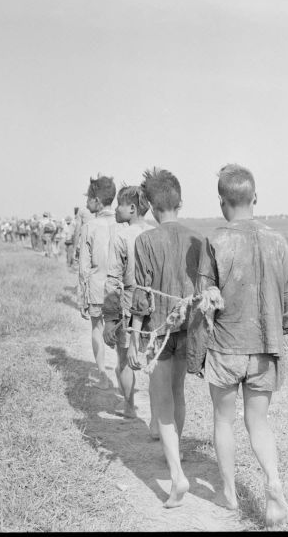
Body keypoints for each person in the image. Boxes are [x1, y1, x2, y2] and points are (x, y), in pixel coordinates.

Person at [187, 164, 288, 528]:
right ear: (255, 198)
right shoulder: (279, 241)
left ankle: (230, 494)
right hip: (266, 350)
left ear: (222, 202)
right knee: (258, 422)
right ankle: (274, 483)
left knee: (223, 421)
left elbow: (204, 305)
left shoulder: (214, 241)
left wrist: (195, 356)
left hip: (225, 349)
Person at [127, 168, 203, 508]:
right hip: (188, 328)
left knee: (163, 404)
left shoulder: (145, 241)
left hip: (158, 332)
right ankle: (178, 451)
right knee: (178, 393)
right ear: (179, 201)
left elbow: (141, 298)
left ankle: (176, 476)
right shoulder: (197, 240)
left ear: (152, 207)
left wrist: (133, 338)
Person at [103, 186, 154, 420]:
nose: (116, 208)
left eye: (120, 204)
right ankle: (158, 415)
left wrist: (109, 319)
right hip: (153, 302)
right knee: (155, 360)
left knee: (123, 359)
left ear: (132, 208)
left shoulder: (121, 236)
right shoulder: (154, 232)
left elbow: (113, 280)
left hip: (128, 301)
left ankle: (129, 406)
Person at [78, 176, 118, 390]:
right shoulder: (123, 224)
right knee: (121, 330)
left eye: (89, 198)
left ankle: (102, 372)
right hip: (119, 289)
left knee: (97, 328)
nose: (86, 202)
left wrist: (81, 295)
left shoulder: (89, 226)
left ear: (97, 200)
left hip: (96, 286)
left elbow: (84, 266)